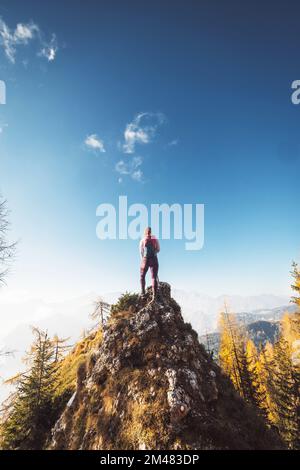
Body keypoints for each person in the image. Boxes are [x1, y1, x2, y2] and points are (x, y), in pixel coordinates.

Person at [140, 227, 160, 299]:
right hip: (153, 259)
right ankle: (154, 295)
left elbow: (141, 252)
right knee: (154, 277)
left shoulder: (142, 240)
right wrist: (154, 252)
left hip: (145, 259)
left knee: (142, 276)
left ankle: (143, 293)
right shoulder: (155, 239)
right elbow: (158, 249)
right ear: (151, 232)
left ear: (145, 232)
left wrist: (143, 259)